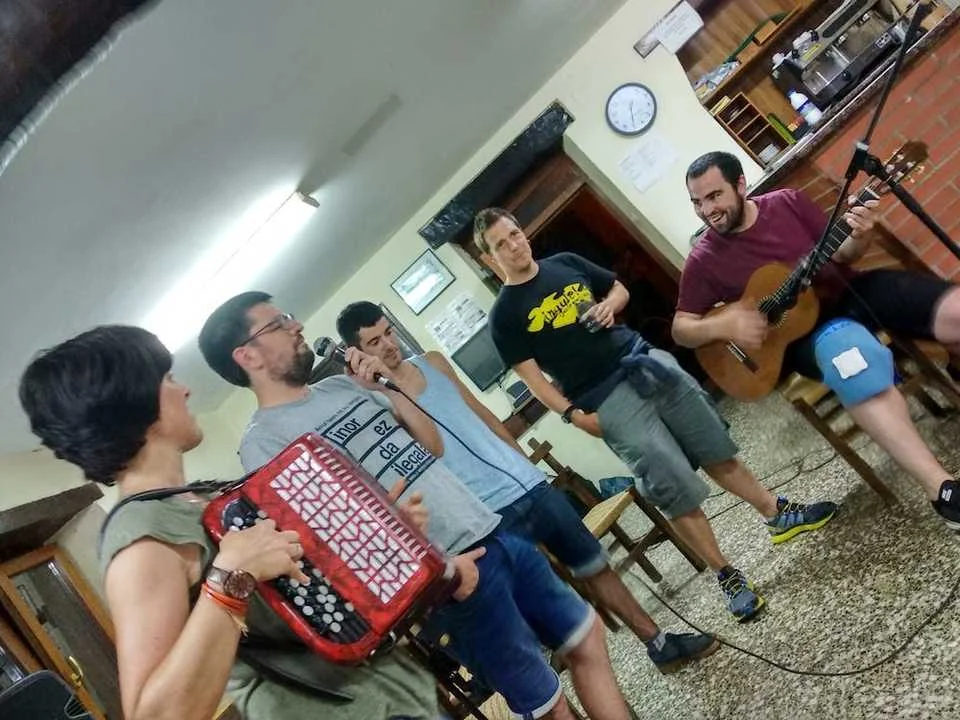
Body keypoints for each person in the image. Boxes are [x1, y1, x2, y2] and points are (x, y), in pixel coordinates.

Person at [199, 292, 632, 720]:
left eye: (290, 316)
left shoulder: (340, 386)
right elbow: (325, 547)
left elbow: (431, 444)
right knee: (546, 704)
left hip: (486, 527)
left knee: (586, 637)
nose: (296, 326)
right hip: (447, 578)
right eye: (279, 323)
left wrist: (387, 384)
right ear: (247, 355)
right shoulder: (264, 442)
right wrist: (441, 573)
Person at [18, 325, 440, 720]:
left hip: (392, 697)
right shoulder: (140, 537)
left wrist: (375, 540)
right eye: (167, 379)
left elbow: (298, 604)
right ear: (132, 405)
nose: (184, 390)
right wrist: (232, 576)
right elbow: (155, 714)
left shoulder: (202, 499)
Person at [478, 207, 838, 623]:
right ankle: (727, 575)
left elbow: (618, 289)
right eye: (500, 245)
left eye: (514, 234)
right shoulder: (504, 317)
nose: (513, 246)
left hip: (646, 361)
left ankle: (777, 514)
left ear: (522, 231)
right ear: (490, 258)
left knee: (715, 447)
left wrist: (609, 305)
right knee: (670, 486)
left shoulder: (565, 263)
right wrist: (575, 416)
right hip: (605, 398)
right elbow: (535, 382)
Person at [334, 300, 719, 672]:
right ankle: (580, 676)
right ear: (358, 353)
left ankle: (659, 643)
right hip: (485, 515)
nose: (388, 345)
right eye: (374, 342)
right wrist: (382, 389)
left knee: (595, 565)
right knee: (544, 599)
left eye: (389, 333)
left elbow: (483, 415)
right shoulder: (377, 406)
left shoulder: (433, 362)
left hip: (525, 484)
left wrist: (524, 464)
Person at [674, 150, 960, 530]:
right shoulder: (704, 259)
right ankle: (942, 491)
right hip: (805, 336)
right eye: (697, 202)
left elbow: (846, 253)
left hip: (850, 292)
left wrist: (861, 233)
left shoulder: (786, 203)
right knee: (854, 364)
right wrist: (724, 325)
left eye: (714, 196)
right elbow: (681, 329)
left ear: (740, 185)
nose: (707, 211)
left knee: (954, 309)